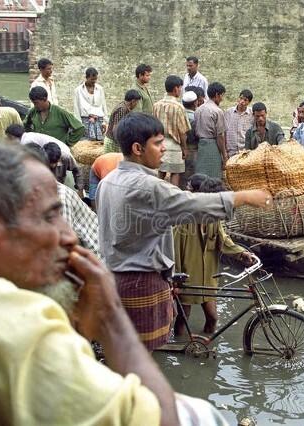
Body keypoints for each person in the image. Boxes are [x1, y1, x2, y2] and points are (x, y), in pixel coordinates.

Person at [0, 141, 179, 424]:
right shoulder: (17, 326)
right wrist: (112, 320)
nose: (68, 236)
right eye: (50, 216)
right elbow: (162, 419)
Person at [96, 112, 272, 351]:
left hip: (115, 275)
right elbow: (192, 204)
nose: (163, 150)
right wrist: (242, 197)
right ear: (138, 148)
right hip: (141, 279)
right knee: (141, 356)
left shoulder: (108, 181)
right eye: (157, 144)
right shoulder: (148, 186)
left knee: (129, 352)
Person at [173, 175, 254, 336]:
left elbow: (223, 241)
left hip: (208, 278)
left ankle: (206, 346)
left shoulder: (214, 220)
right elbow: (174, 251)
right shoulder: (183, 220)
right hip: (187, 279)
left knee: (213, 318)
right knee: (183, 317)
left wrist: (241, 253)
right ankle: (179, 346)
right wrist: (174, 281)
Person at [153, 75, 191, 186]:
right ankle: (173, 198)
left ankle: (156, 193)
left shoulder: (156, 105)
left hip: (160, 143)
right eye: (180, 88)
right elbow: (182, 131)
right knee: (175, 173)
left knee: (160, 172)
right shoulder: (178, 107)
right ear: (175, 89)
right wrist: (184, 147)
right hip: (174, 145)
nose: (180, 90)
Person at [194, 82, 227, 178]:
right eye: (222, 96)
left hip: (200, 145)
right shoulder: (217, 111)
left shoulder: (198, 109)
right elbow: (220, 136)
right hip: (212, 146)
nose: (222, 98)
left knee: (201, 175)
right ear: (217, 95)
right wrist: (224, 155)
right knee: (213, 176)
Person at [73, 67, 108, 141]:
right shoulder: (78, 90)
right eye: (92, 79)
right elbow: (76, 108)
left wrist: (105, 121)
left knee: (99, 144)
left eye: (95, 79)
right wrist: (79, 125)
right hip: (85, 121)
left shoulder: (100, 89)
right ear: (86, 77)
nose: (94, 81)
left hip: (99, 121)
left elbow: (103, 105)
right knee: (86, 144)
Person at [105, 89, 142, 153]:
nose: (136, 104)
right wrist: (121, 143)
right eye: (137, 102)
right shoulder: (122, 109)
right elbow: (116, 128)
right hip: (113, 142)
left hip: (115, 141)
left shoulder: (125, 107)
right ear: (133, 101)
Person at [224, 89, 254, 157]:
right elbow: (224, 131)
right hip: (230, 151)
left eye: (245, 100)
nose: (241, 101)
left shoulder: (252, 114)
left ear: (249, 102)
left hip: (245, 152)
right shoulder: (229, 112)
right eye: (241, 98)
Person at [181, 90, 199, 184]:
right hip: (192, 148)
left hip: (180, 147)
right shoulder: (194, 117)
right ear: (195, 103)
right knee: (191, 172)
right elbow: (195, 135)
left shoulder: (180, 114)